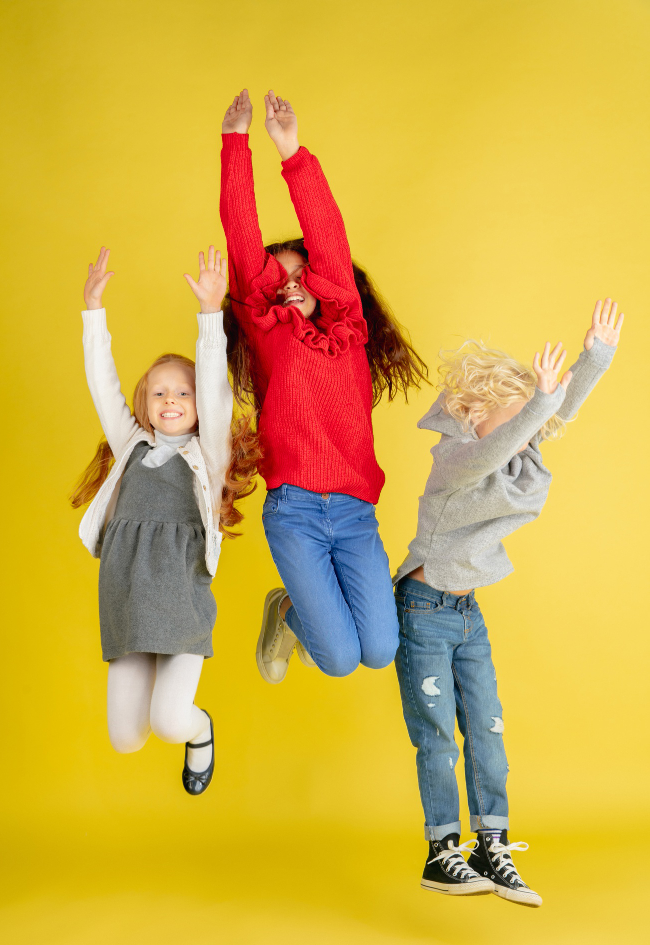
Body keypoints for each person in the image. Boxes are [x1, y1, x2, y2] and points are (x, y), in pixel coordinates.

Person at [394, 299, 623, 905]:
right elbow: (500, 444)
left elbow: (546, 420)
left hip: (468, 616)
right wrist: (538, 405)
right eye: (516, 418)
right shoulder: (457, 462)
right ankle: (443, 851)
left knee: (489, 732)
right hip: (422, 610)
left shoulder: (518, 454)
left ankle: (491, 845)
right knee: (438, 735)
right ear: (472, 414)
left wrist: (594, 358)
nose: (531, 432)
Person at [220, 88, 429, 682]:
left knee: (382, 650)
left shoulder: (348, 328)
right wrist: (236, 144)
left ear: (323, 278)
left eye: (299, 273)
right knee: (338, 659)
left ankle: (303, 609)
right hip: (296, 510)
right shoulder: (268, 333)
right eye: (275, 277)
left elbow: (327, 231)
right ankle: (285, 607)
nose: (287, 285)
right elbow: (241, 232)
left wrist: (292, 151)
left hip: (357, 511)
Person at [71, 245, 247, 795]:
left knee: (171, 722)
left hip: (181, 599)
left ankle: (202, 730)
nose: (171, 399)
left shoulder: (208, 454)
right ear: (144, 403)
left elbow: (217, 387)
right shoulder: (131, 447)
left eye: (184, 391)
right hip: (124, 596)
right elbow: (103, 385)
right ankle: (171, 721)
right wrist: (93, 311)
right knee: (126, 737)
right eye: (159, 391)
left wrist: (209, 315)